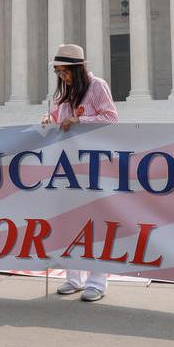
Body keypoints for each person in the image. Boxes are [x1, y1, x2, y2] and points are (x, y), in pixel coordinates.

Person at [41, 44, 118, 302]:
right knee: (69, 221)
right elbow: (59, 118)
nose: (62, 77)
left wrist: (80, 120)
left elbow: (111, 118)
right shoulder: (65, 95)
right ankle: (73, 278)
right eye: (59, 73)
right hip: (67, 168)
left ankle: (96, 282)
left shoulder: (97, 87)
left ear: (77, 68)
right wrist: (48, 119)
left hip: (93, 167)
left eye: (65, 72)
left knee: (94, 224)